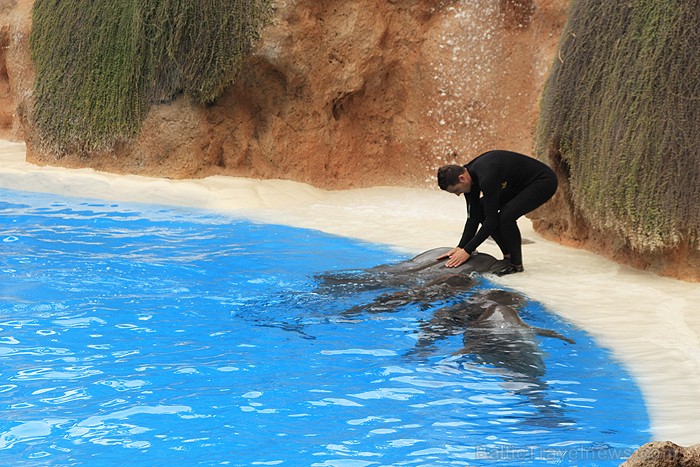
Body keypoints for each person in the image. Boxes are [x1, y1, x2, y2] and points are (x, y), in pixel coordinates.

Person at [436, 150, 558, 275]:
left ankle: (516, 265)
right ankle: (508, 255)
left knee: (506, 216)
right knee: (482, 209)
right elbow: (473, 217)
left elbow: (491, 220)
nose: (458, 194)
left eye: (456, 190)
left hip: (543, 182)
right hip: (518, 186)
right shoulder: (469, 179)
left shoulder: (487, 176)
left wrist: (467, 251)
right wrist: (460, 247)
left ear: (461, 178)